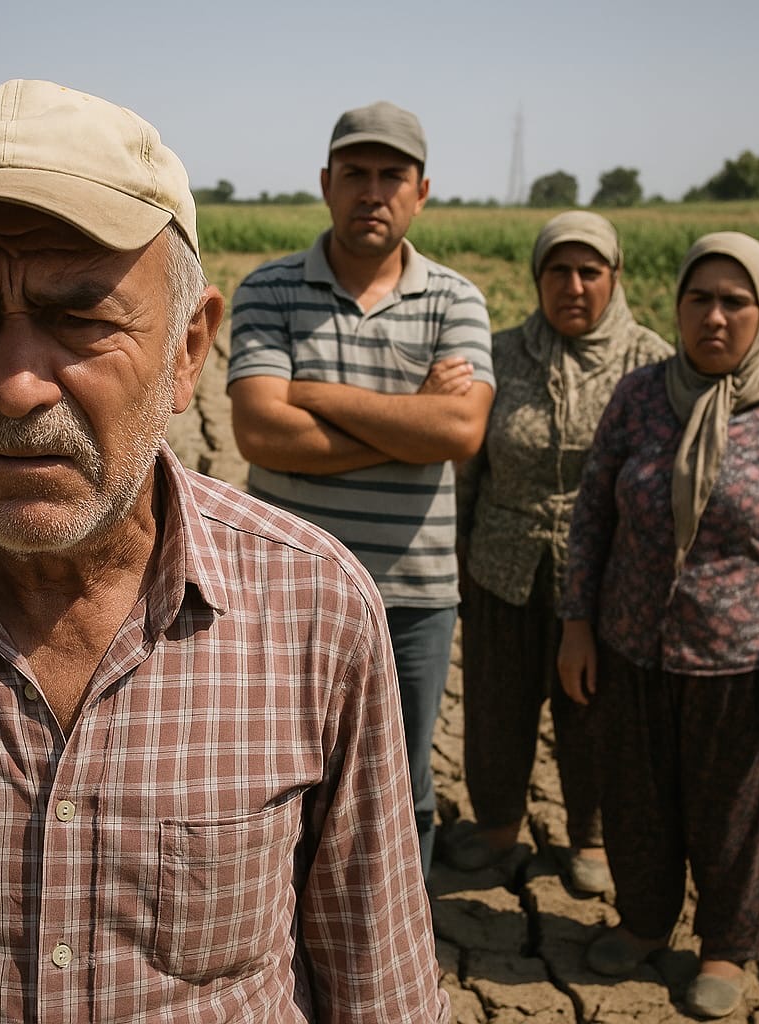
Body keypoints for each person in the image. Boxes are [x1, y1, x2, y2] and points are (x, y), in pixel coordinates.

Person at [0, 80, 450, 1023]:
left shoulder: (317, 611)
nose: (16, 385)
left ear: (188, 350)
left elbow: (380, 986)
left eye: (80, 319)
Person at [227, 101, 495, 875]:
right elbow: (261, 434)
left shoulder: (455, 299)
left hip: (414, 596)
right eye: (355, 174)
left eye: (391, 176)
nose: (371, 192)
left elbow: (459, 436)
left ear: (422, 192)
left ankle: (393, 966)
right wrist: (410, 423)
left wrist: (311, 391)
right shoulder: (270, 290)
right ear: (326, 183)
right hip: (285, 586)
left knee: (402, 789)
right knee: (277, 777)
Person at [558, 232, 759, 1019]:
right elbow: (593, 515)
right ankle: (642, 922)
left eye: (737, 301)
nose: (716, 316)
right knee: (636, 801)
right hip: (631, 647)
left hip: (744, 663)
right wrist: (577, 624)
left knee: (735, 817)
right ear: (677, 306)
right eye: (700, 298)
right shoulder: (641, 395)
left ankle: (728, 949)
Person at [454, 212, 672, 889]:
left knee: (594, 711)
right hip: (502, 563)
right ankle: (496, 827)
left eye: (589, 272)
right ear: (537, 278)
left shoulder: (652, 364)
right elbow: (468, 472)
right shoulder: (502, 353)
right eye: (557, 271)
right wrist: (459, 562)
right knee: (496, 704)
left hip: (607, 580)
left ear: (615, 278)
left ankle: (592, 838)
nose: (572, 285)